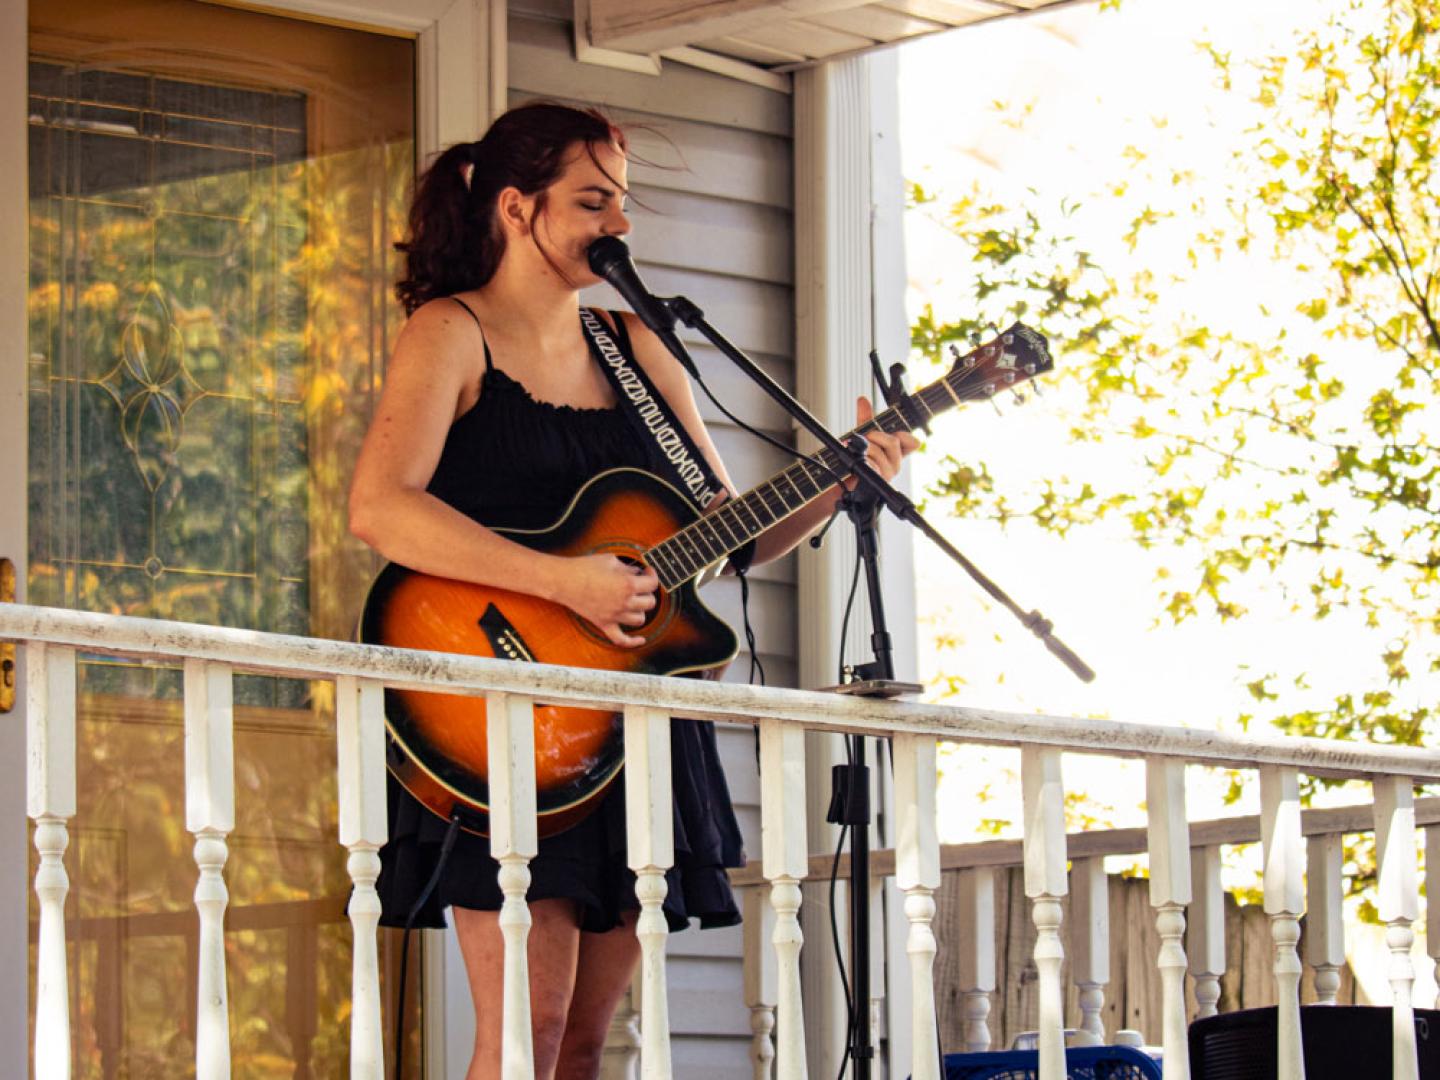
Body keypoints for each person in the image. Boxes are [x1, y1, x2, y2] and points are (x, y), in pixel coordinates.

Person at [347, 100, 917, 1080]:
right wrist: (562, 581)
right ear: (519, 209)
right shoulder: (451, 333)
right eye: (593, 200)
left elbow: (723, 534)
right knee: (525, 1031)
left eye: (626, 204)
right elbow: (380, 510)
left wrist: (841, 479)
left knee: (580, 1043)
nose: (620, 223)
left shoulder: (637, 346)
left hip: (631, 725)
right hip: (501, 706)